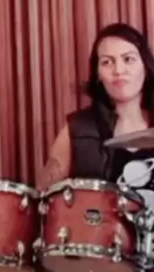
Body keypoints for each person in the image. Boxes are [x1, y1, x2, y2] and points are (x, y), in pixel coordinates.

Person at [38, 23, 154, 207]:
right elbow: (42, 199)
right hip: (98, 225)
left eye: (128, 59)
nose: (118, 70)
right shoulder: (77, 129)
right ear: (98, 74)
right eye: (107, 62)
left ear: (145, 67)